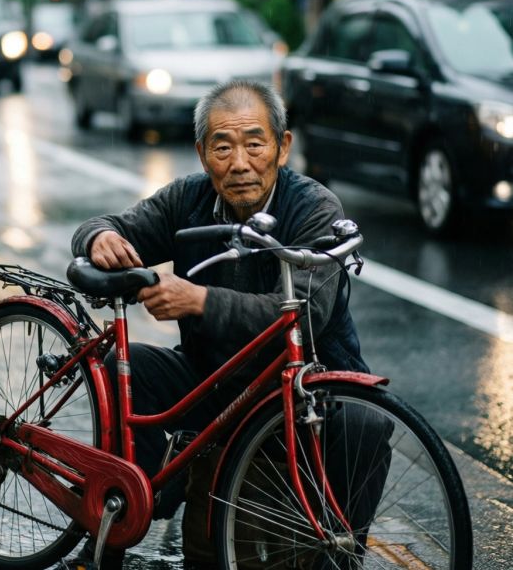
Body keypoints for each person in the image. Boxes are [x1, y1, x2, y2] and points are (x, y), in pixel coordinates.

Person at [58, 80, 379, 569]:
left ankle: (338, 552)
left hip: (302, 385)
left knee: (367, 422)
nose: (240, 162)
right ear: (203, 154)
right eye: (222, 146)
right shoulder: (187, 200)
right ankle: (120, 514)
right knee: (128, 366)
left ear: (282, 146)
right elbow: (108, 226)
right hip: (213, 378)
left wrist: (200, 301)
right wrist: (99, 236)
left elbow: (304, 313)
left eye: (255, 143)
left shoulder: (315, 208)